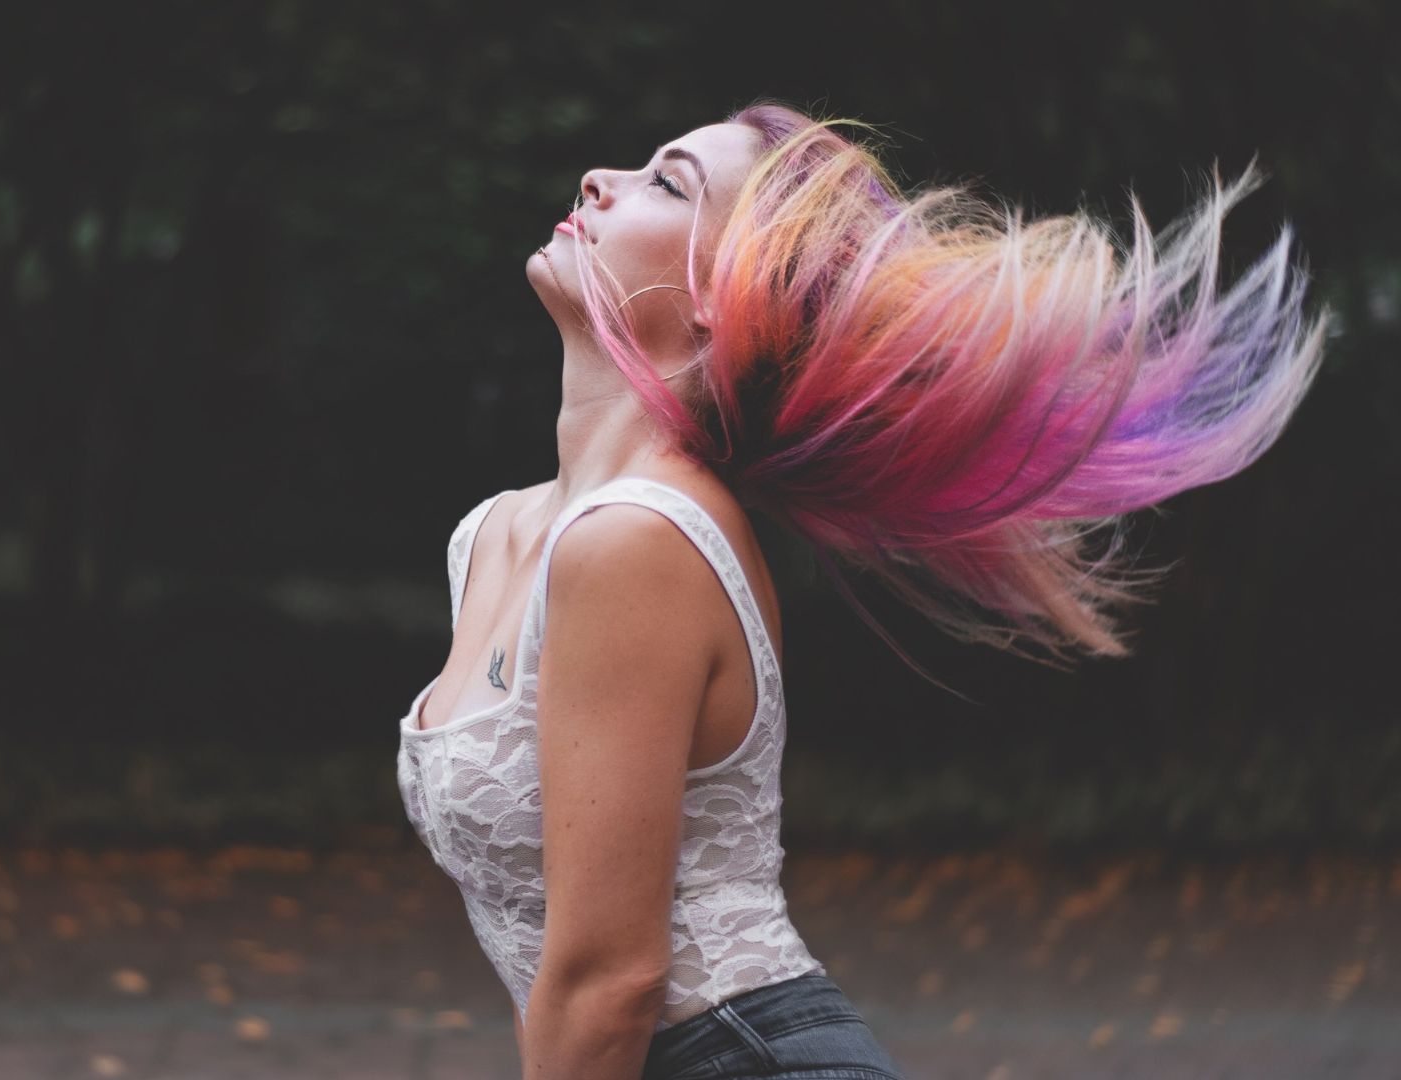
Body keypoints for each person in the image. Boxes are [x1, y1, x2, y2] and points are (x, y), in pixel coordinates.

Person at [394, 97, 1329, 1080]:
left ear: (728, 292)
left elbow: (608, 983)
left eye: (666, 183)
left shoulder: (634, 540)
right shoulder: (495, 536)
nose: (600, 179)